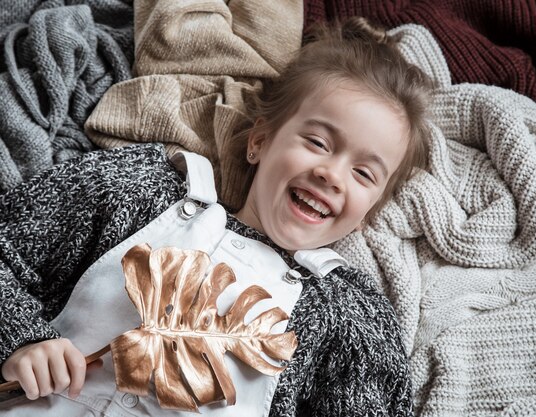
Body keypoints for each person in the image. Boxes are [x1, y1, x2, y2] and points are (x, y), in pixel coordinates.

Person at [0, 17, 432, 416]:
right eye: (318, 142)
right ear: (260, 141)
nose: (331, 174)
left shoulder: (353, 320)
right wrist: (22, 340)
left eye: (363, 173)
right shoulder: (140, 187)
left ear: (367, 214)